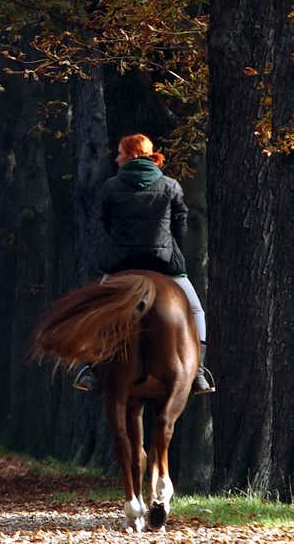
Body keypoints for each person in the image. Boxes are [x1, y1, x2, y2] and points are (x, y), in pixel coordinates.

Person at [73, 133, 217, 396]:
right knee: (196, 310)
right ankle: (198, 372)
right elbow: (180, 225)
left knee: (92, 310)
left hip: (121, 264)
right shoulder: (171, 185)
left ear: (132, 156)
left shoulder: (111, 187)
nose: (116, 159)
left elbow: (105, 223)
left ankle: (90, 369)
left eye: (120, 153)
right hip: (162, 264)